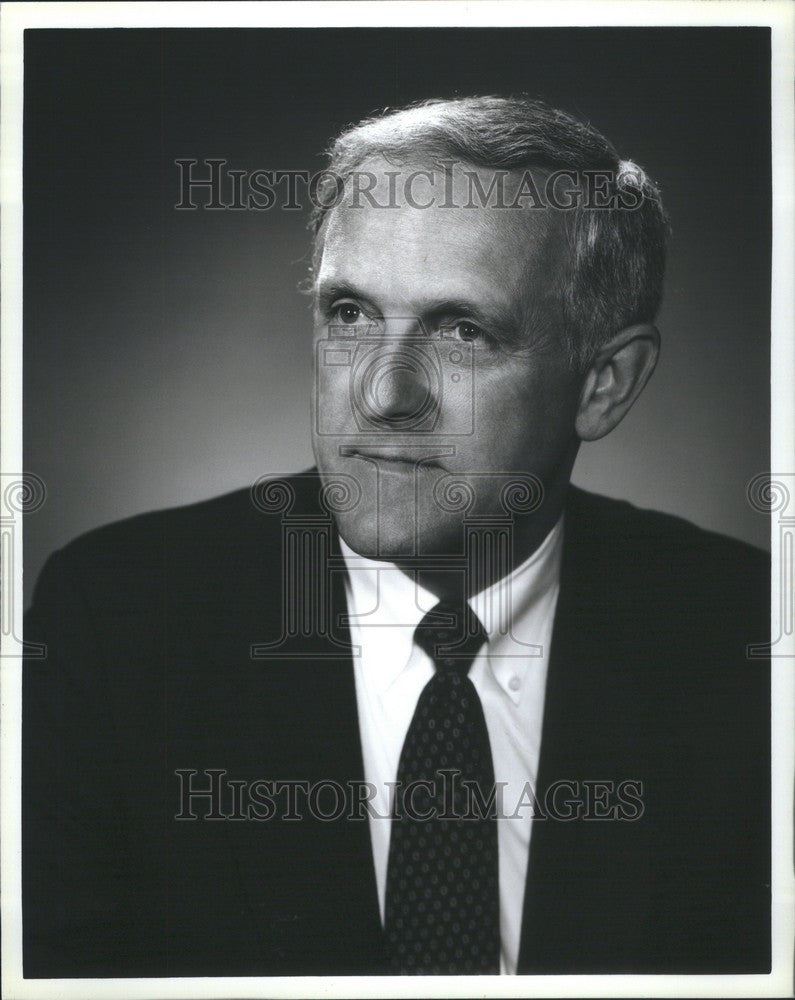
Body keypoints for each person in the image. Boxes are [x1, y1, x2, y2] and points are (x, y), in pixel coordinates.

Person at [22, 96, 770, 978]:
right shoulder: (118, 616)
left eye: (462, 330)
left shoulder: (746, 641)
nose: (383, 395)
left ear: (605, 382)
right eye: (349, 314)